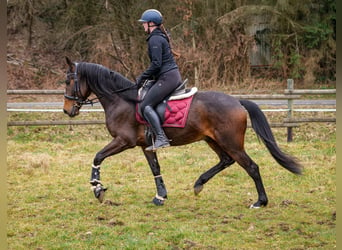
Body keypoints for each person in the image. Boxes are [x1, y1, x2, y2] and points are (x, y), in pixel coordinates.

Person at [136, 9, 182, 151]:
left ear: (151, 24)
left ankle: (161, 138)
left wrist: (142, 77)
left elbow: (156, 64)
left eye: (144, 23)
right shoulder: (158, 37)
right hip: (168, 75)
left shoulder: (155, 39)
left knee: (145, 105)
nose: (143, 25)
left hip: (167, 77)